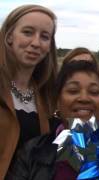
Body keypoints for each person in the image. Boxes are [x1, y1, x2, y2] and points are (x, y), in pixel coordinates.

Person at [6, 61, 99, 180]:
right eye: (73, 91)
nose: (83, 98)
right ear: (57, 100)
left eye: (94, 92)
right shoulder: (31, 152)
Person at [0, 4, 58, 178]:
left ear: (49, 46)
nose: (35, 43)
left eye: (45, 36)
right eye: (27, 32)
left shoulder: (48, 96)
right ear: (9, 36)